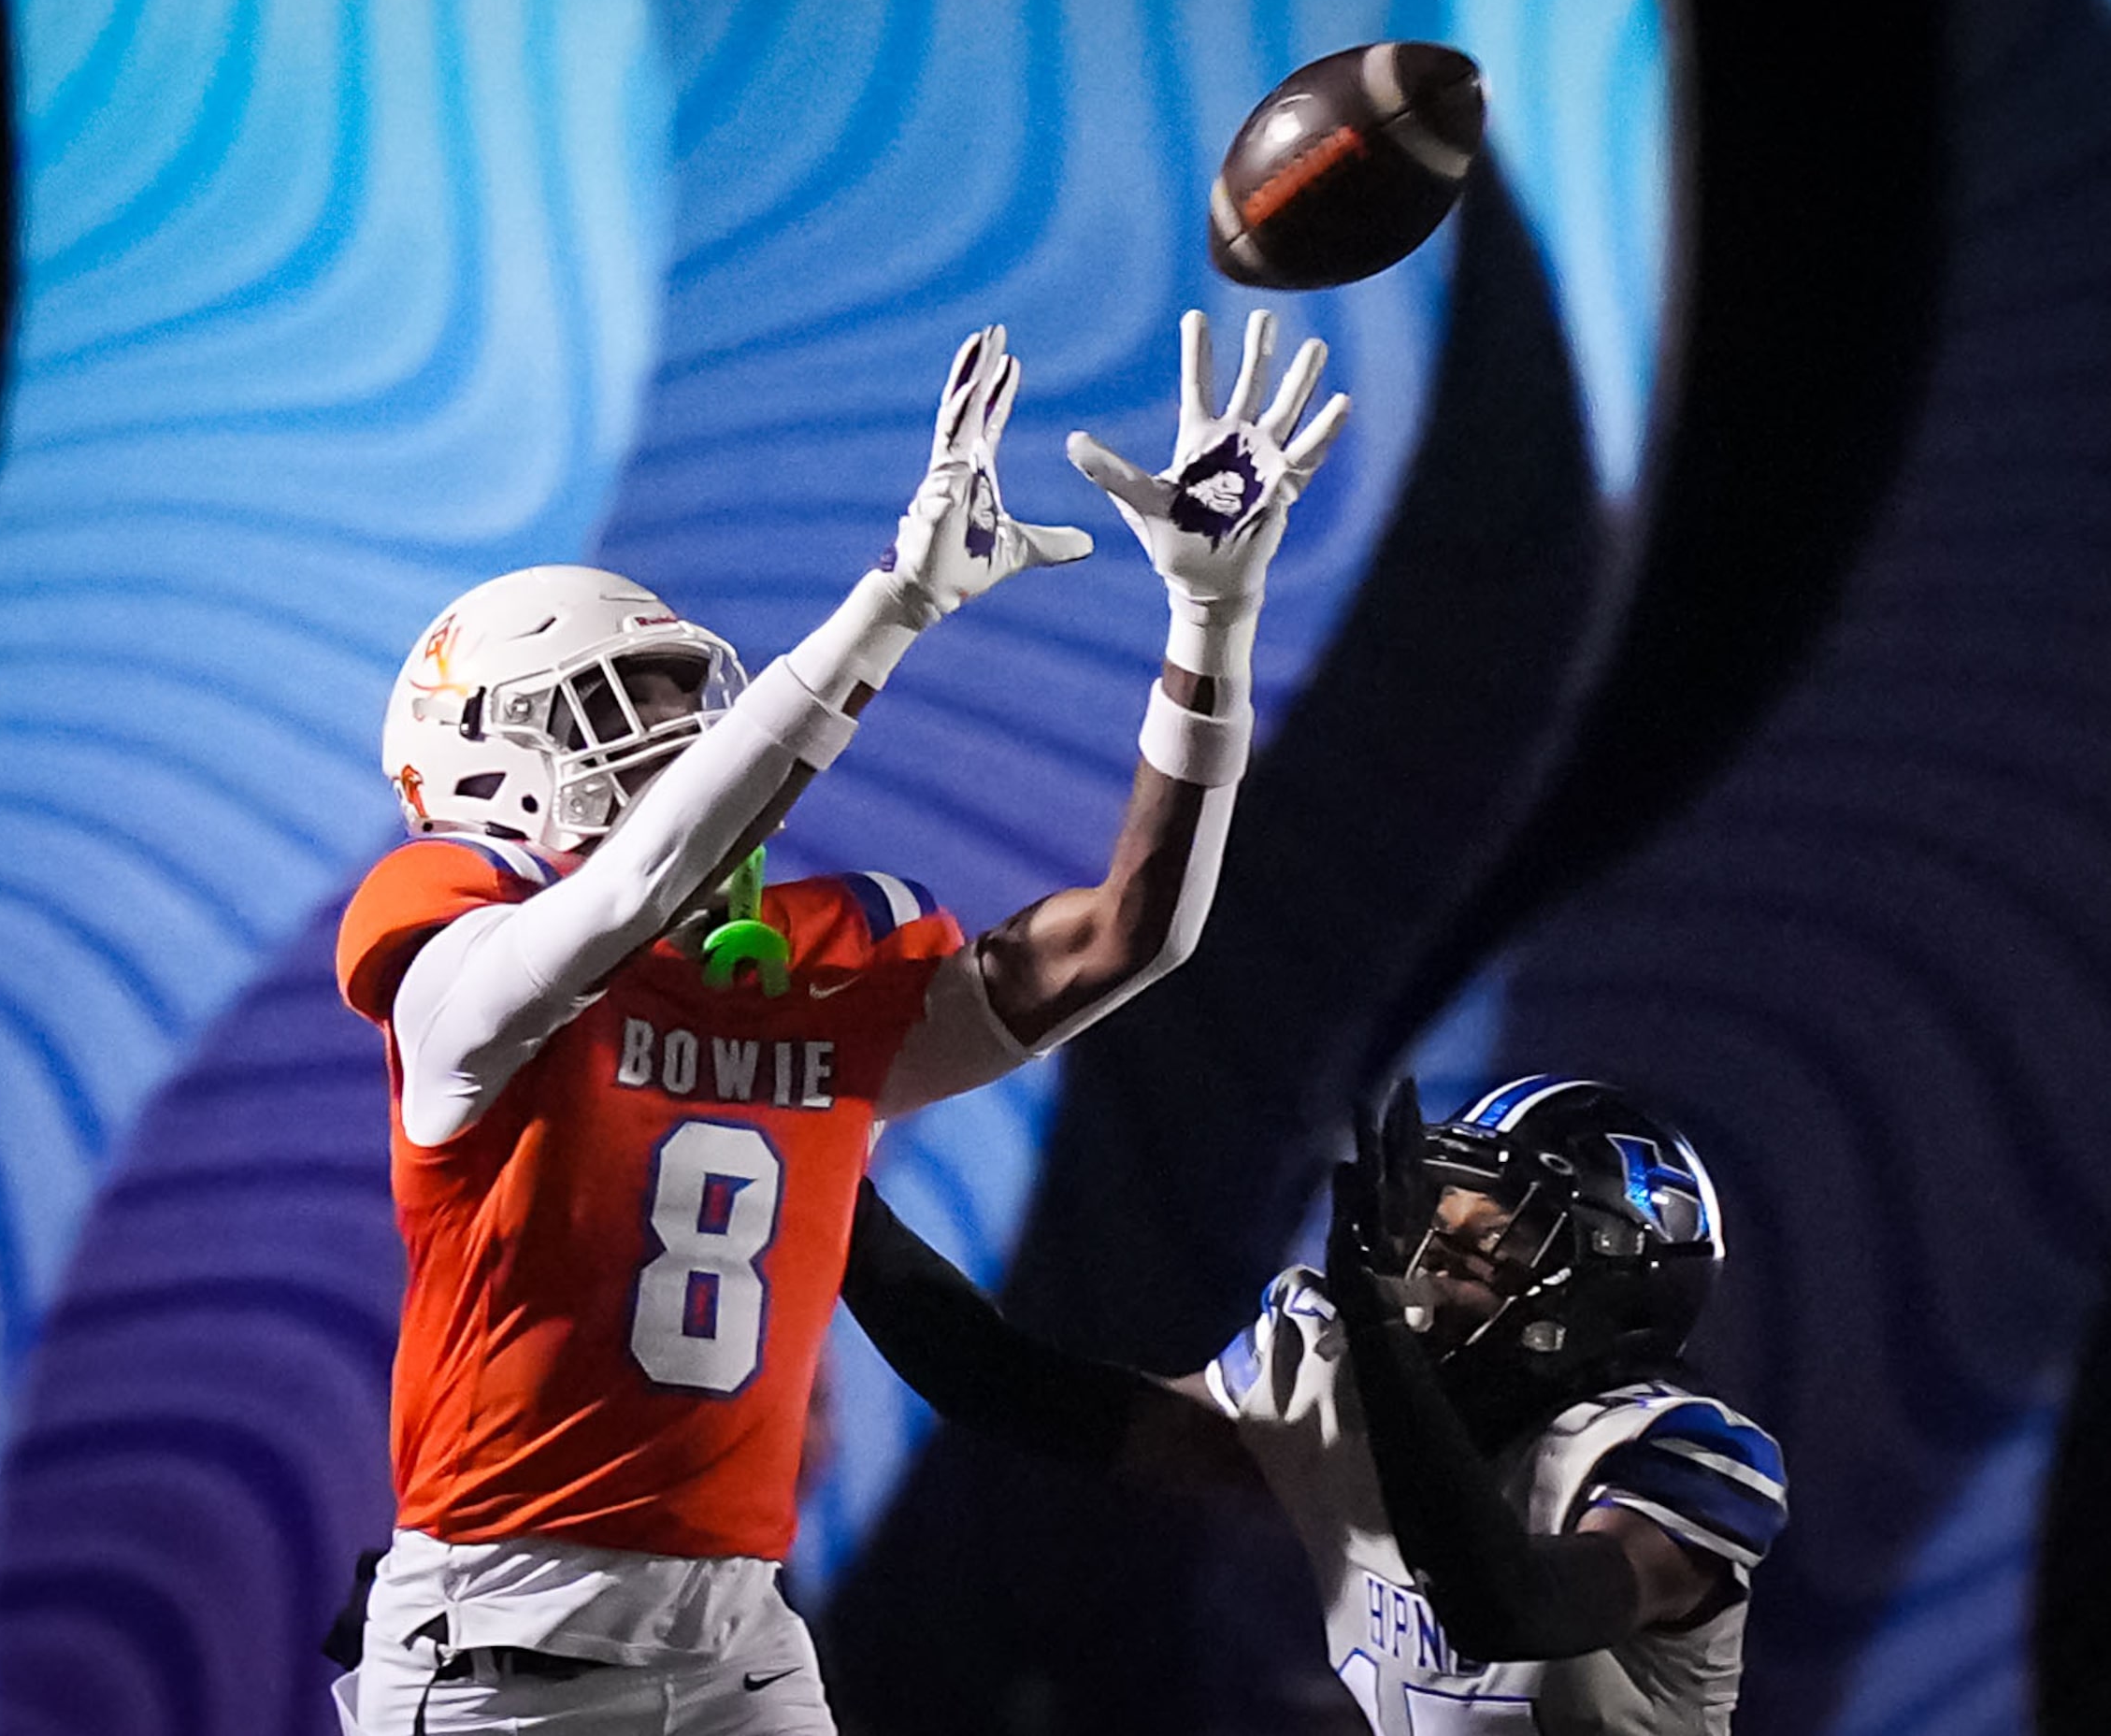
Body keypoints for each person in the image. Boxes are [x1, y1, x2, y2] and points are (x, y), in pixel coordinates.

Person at [325, 311, 1349, 1735]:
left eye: (693, 694)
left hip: (743, 1636)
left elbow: (1135, 936)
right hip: (509, 1648)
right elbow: (629, 888)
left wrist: (1210, 628)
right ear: (484, 758)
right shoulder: (451, 949)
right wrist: (888, 608)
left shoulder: (811, 963)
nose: (682, 729)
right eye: (625, 700)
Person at [841, 1075, 1788, 1735]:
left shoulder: (1675, 1455)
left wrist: (1381, 1346)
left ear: (1603, 1284)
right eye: (1437, 1218)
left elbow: (1510, 1609)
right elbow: (1005, 1388)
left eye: (1493, 1238)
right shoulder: (1334, 1374)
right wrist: (826, 1189)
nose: (1431, 1254)